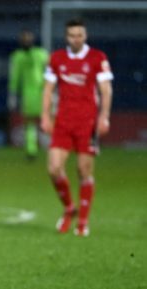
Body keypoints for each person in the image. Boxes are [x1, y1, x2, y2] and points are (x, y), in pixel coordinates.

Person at [41, 19, 113, 237]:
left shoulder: (97, 58)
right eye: (72, 35)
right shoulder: (56, 59)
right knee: (54, 168)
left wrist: (104, 117)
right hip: (63, 121)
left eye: (80, 35)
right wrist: (45, 116)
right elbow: (47, 90)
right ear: (66, 37)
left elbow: (106, 90)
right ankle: (69, 208)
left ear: (86, 35)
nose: (76, 39)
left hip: (87, 123)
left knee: (84, 170)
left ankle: (82, 221)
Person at [8, 29, 49, 159]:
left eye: (27, 38)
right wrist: (13, 94)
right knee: (33, 122)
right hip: (31, 93)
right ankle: (32, 149)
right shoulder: (39, 54)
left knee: (35, 122)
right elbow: (15, 77)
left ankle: (38, 148)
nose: (26, 41)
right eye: (25, 38)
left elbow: (50, 73)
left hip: (40, 92)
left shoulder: (37, 54)